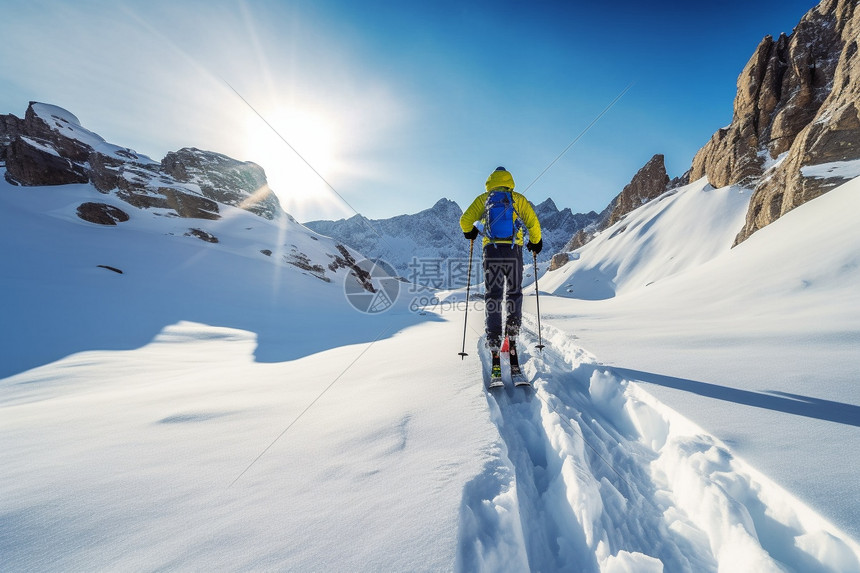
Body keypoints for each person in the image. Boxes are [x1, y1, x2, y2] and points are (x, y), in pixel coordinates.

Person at [459, 166, 542, 383]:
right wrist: (535, 243)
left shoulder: (484, 199)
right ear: (509, 181)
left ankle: (494, 340)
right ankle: (512, 335)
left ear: (490, 181)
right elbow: (533, 223)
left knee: (493, 296)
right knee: (514, 293)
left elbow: (465, 221)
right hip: (514, 251)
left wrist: (471, 231)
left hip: (492, 252)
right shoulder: (517, 198)